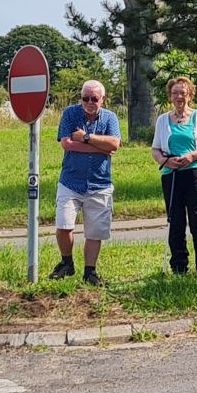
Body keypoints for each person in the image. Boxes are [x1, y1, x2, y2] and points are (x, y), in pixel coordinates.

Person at [151, 77, 197, 280]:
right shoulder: (163, 120)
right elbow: (155, 149)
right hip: (171, 174)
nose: (179, 96)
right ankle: (179, 267)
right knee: (176, 222)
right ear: (170, 96)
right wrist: (165, 161)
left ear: (190, 94)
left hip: (194, 173)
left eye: (183, 92)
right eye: (175, 93)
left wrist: (193, 155)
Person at [51, 80, 121, 286]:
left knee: (95, 231)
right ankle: (66, 263)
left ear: (103, 99)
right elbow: (66, 144)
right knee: (63, 225)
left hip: (100, 183)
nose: (89, 102)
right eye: (85, 98)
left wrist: (86, 138)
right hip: (70, 181)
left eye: (94, 99)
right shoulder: (70, 114)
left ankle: (90, 271)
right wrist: (101, 146)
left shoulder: (110, 118)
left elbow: (114, 144)